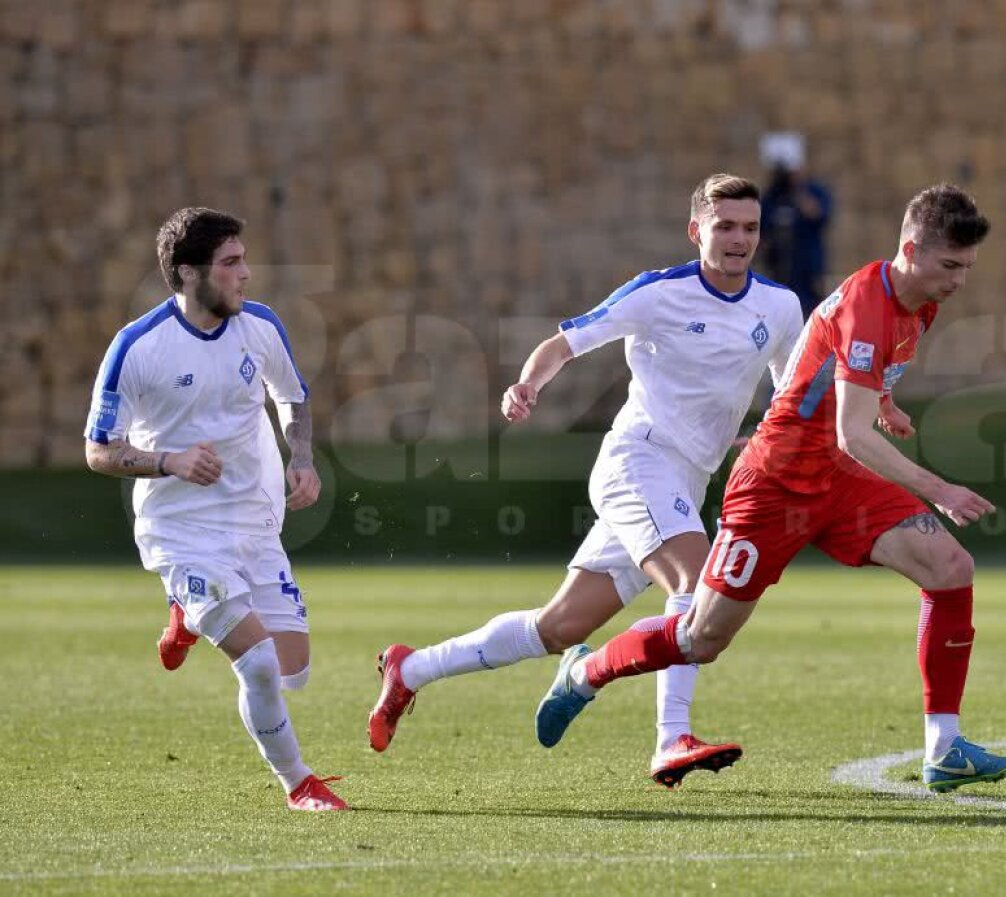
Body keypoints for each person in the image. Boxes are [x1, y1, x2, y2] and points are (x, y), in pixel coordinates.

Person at [535, 183, 1006, 793]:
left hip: (836, 479)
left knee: (950, 566)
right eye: (950, 265)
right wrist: (939, 489)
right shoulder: (866, 305)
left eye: (967, 268)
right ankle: (586, 674)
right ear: (910, 249)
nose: (958, 280)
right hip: (773, 485)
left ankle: (945, 748)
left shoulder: (921, 299)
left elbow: (855, 379)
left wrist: (888, 403)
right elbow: (852, 434)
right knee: (700, 638)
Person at [368, 173, 806, 788]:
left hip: (687, 481)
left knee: (559, 628)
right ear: (695, 231)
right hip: (638, 461)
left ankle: (411, 670)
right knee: (696, 581)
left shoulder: (780, 307)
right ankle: (671, 738)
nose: (738, 239)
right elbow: (564, 343)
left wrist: (762, 434)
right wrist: (527, 385)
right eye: (724, 226)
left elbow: (789, 393)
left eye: (749, 228)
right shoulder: (658, 294)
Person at [84, 207, 346, 812]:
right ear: (188, 274)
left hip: (255, 521)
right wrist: (169, 461)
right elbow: (99, 451)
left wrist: (301, 458)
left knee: (292, 670)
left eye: (243, 260)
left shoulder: (261, 326)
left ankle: (187, 617)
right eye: (231, 264)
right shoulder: (137, 347)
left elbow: (294, 399)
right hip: (183, 532)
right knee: (256, 663)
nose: (246, 274)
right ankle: (299, 783)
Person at [760, 148, 833, 321]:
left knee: (810, 315)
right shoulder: (772, 195)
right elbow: (761, 228)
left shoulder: (814, 191)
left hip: (809, 268)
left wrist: (798, 189)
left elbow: (819, 216)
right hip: (779, 267)